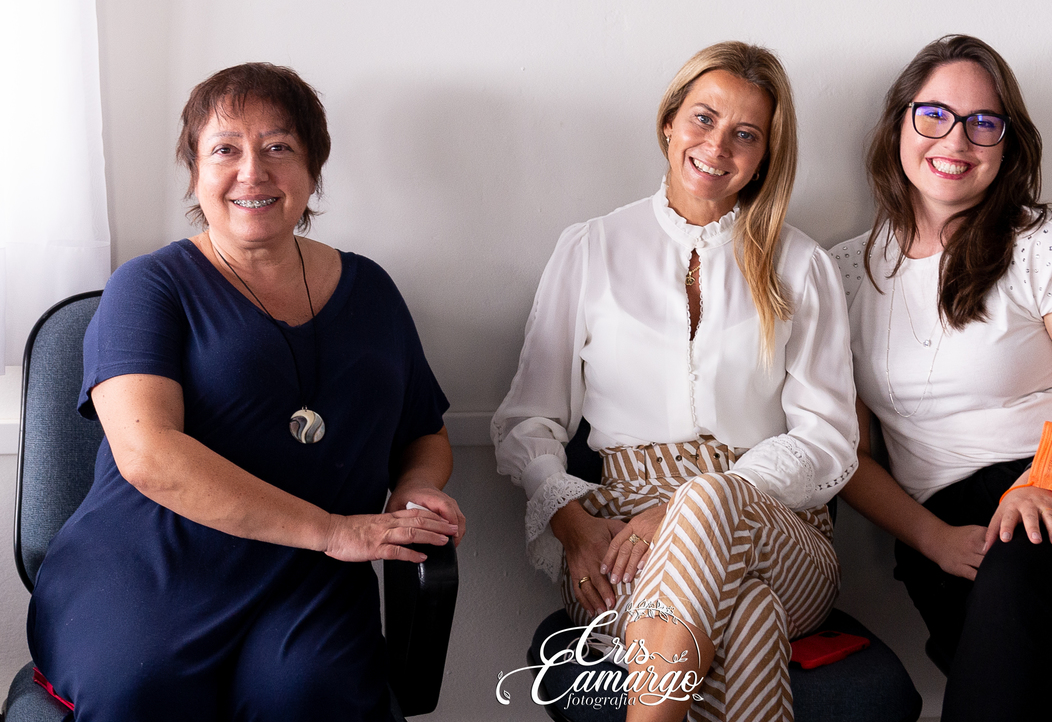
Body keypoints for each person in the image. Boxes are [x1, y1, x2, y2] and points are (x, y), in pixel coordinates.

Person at [27, 63, 465, 722]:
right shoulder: (147, 287)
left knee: (314, 698)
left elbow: (423, 431)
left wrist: (416, 489)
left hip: (306, 579)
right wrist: (333, 530)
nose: (252, 171)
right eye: (225, 149)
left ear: (312, 169)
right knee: (140, 692)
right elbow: (148, 456)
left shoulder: (371, 290)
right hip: (151, 566)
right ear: (195, 173)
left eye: (278, 147)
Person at [493, 42, 858, 722]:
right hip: (618, 542)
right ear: (669, 122)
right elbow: (528, 420)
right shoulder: (591, 248)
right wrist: (572, 525)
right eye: (703, 119)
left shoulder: (801, 265)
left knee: (711, 501)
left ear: (765, 155)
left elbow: (829, 437)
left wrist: (689, 507)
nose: (717, 146)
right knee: (748, 614)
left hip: (778, 533)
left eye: (746, 134)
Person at [835, 34, 1052, 721]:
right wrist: (932, 538)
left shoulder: (1042, 241)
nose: (956, 140)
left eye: (983, 123)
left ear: (1007, 145)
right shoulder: (842, 273)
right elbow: (848, 454)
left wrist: (1036, 485)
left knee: (1022, 570)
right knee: (1045, 659)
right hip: (949, 531)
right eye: (934, 115)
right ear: (899, 123)